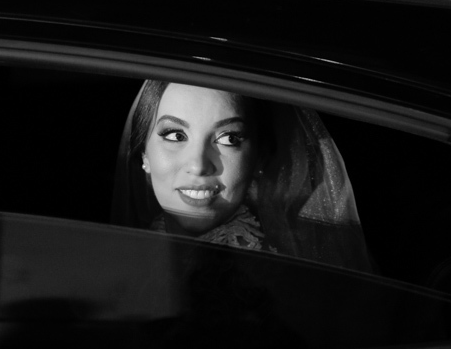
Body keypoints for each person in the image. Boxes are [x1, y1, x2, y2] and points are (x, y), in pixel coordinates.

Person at [111, 80, 371, 273]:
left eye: (228, 138)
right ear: (144, 154)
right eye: (175, 136)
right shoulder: (113, 259)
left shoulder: (281, 278)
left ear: (257, 158)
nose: (199, 166)